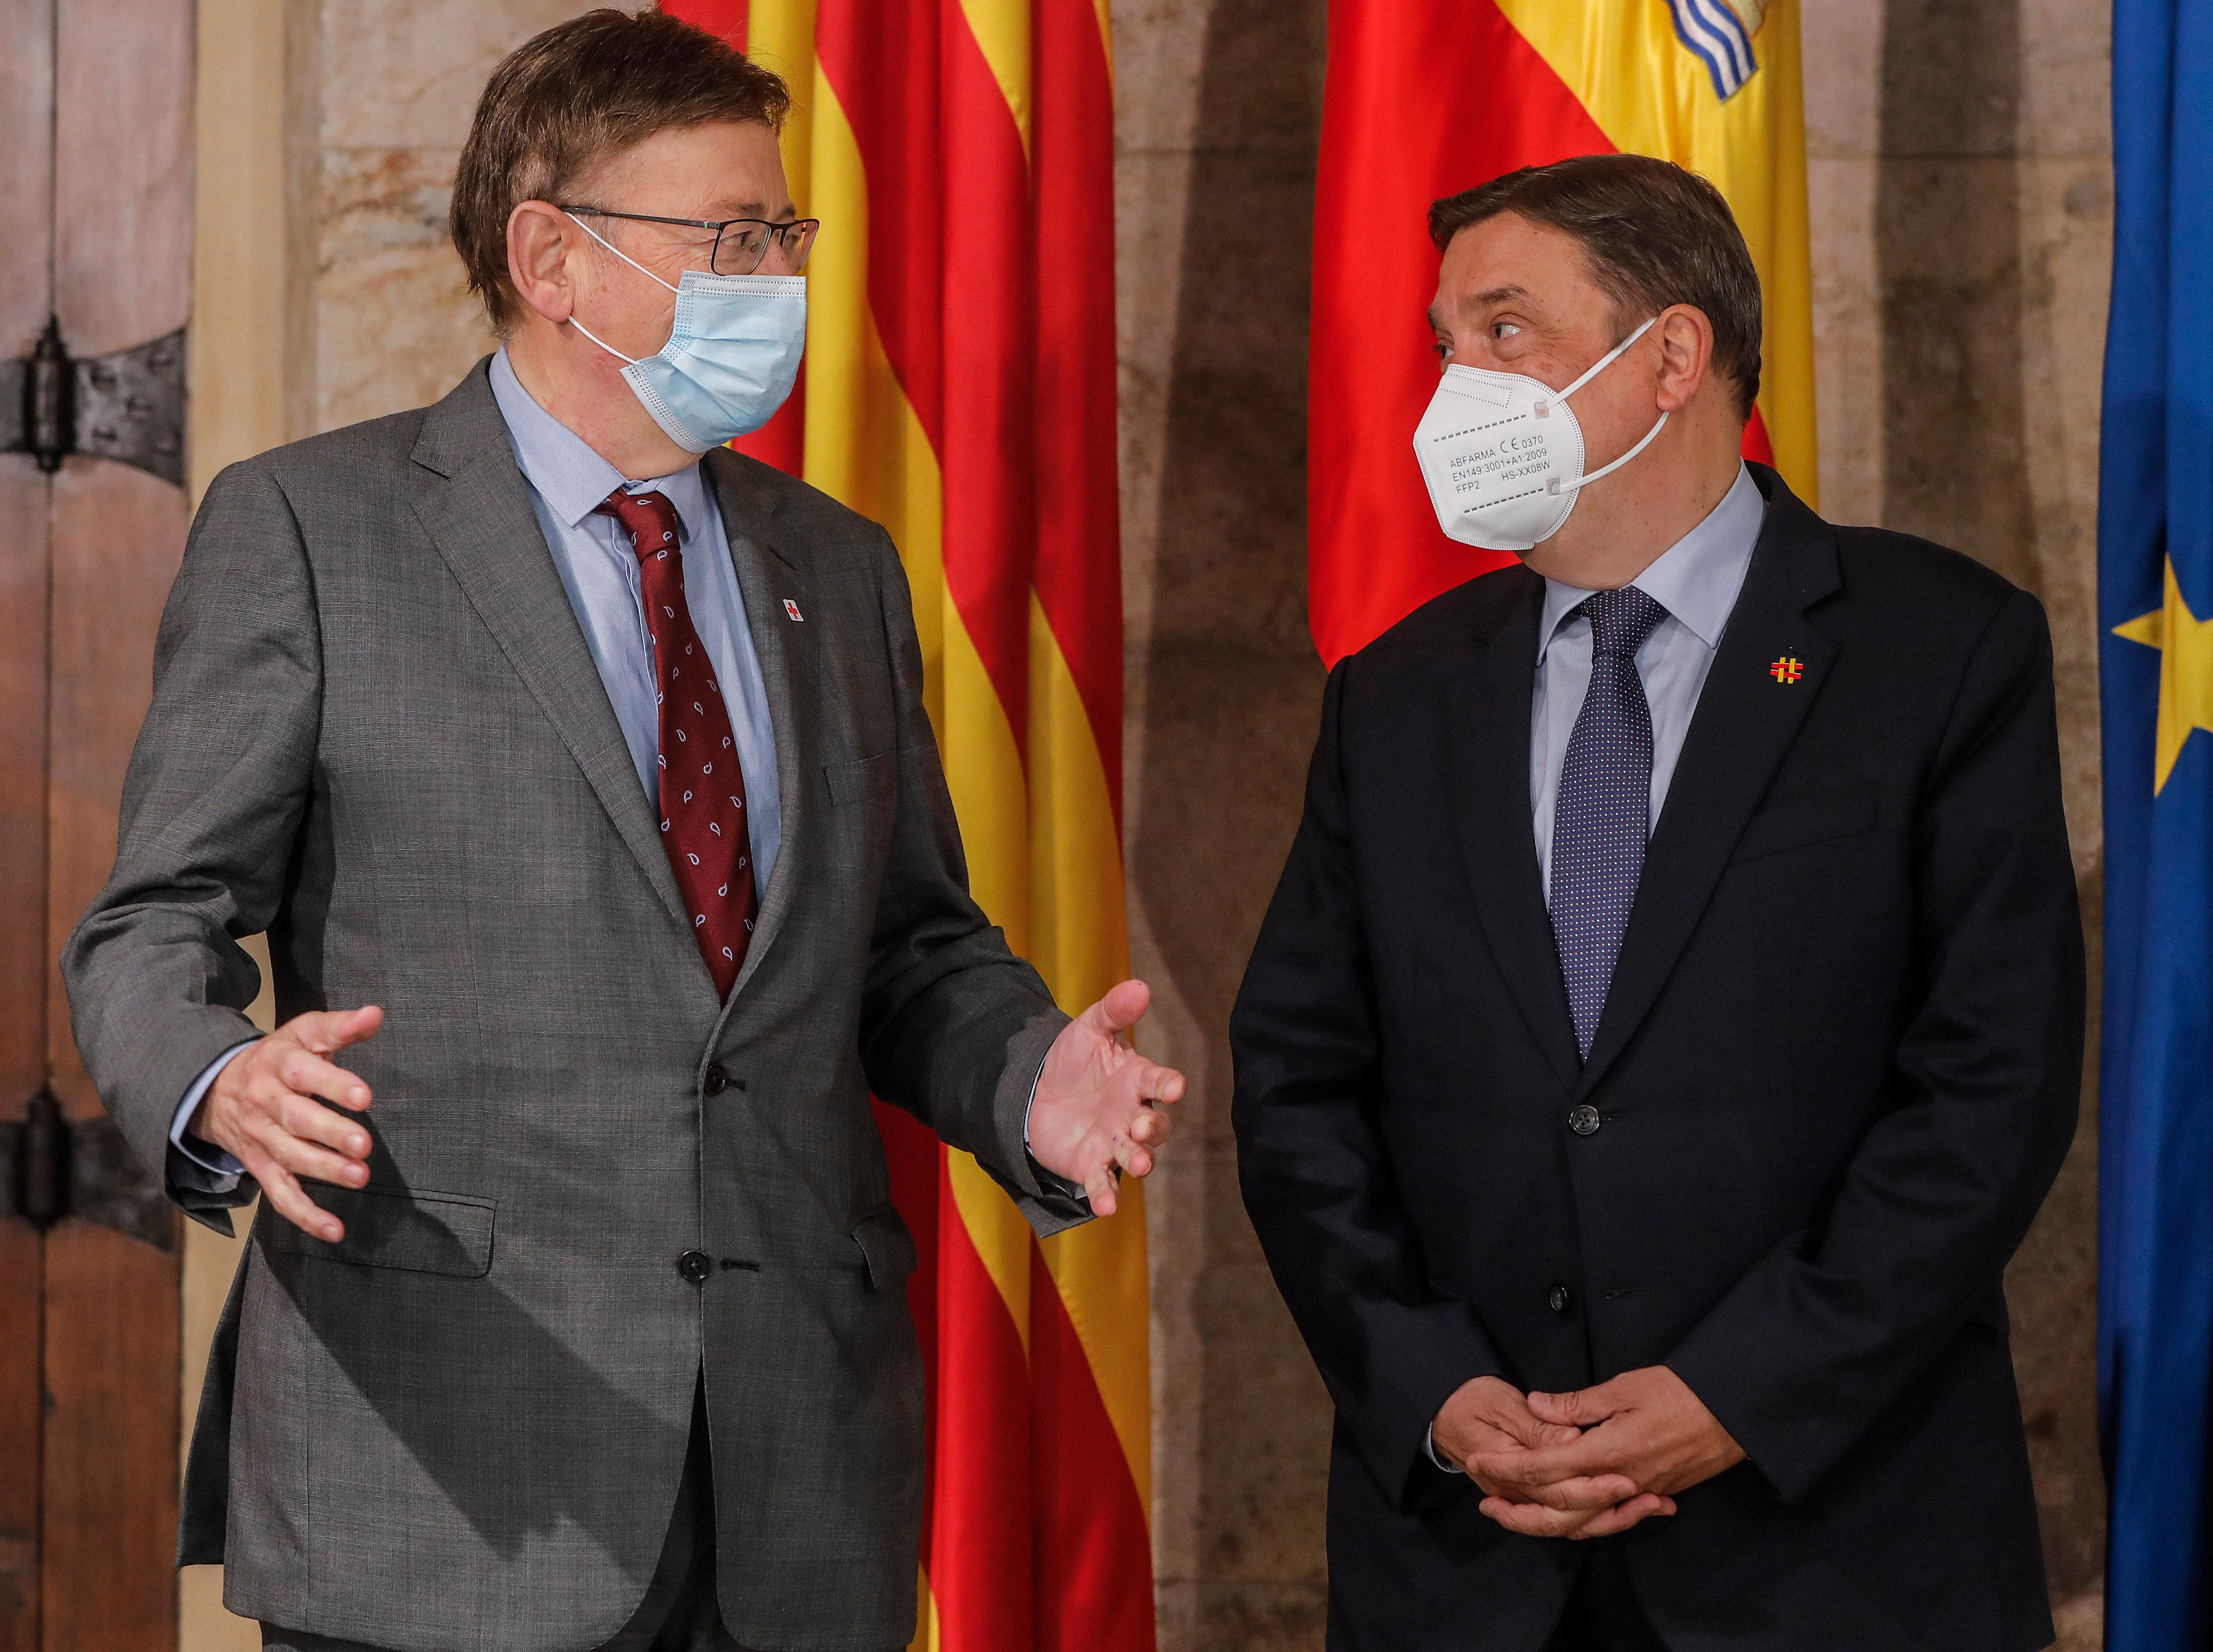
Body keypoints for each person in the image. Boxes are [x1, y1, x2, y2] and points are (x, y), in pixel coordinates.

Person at [62, 11, 1182, 1652]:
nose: (781, 276)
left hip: (796, 1481)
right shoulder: (314, 528)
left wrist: (1028, 1083)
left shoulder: (843, 565)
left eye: (784, 232)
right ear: (551, 257)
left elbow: (906, 946)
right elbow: (150, 923)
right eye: (731, 237)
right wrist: (218, 1078)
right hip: (453, 1468)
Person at [1230, 153, 2081, 1652]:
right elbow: (1302, 1088)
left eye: (1504, 331)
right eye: (1445, 344)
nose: (1454, 383)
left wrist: (1738, 1394)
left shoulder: (1937, 648)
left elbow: (1987, 1086)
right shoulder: (1396, 694)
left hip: (1835, 1550)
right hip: (1470, 1553)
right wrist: (1431, 1389)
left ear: (1672, 356)